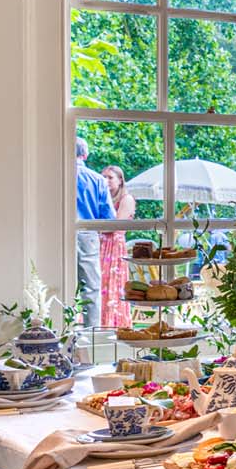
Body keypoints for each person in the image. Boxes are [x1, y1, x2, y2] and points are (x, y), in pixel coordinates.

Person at [74, 137, 112, 326]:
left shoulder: (56, 174)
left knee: (60, 281)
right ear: (85, 155)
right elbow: (109, 218)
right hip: (88, 234)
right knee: (90, 287)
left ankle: (64, 330)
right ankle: (92, 333)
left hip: (57, 233)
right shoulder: (97, 179)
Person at [100, 165, 134, 328]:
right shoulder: (103, 198)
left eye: (110, 177)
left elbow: (115, 225)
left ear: (120, 180)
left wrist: (96, 226)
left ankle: (115, 323)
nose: (106, 181)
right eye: (104, 177)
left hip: (114, 246)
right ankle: (99, 323)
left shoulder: (126, 199)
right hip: (101, 245)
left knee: (113, 284)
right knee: (99, 285)